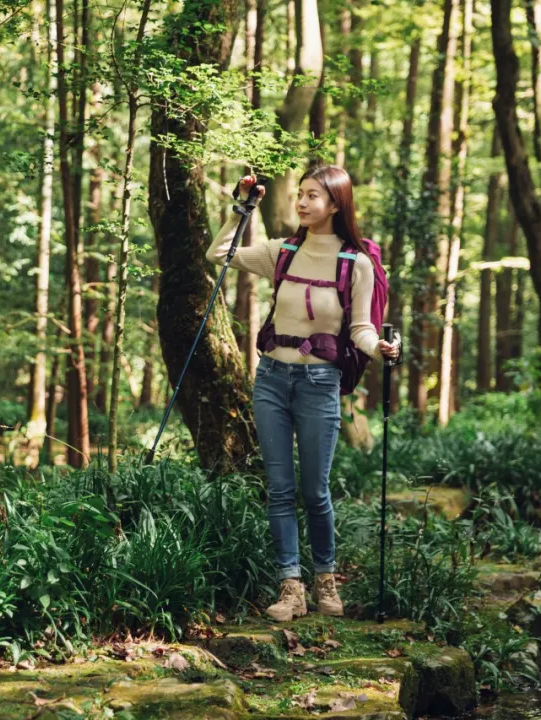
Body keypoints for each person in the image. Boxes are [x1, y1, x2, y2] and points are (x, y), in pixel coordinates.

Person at [206, 165, 400, 622]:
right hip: (272, 378)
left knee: (314, 491)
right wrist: (241, 209)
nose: (303, 202)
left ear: (336, 204)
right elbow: (219, 253)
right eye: (301, 194)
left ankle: (325, 580)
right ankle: (290, 587)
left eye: (314, 195)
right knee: (279, 489)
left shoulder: (357, 263)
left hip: (320, 384)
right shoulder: (282, 252)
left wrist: (381, 350)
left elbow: (360, 329)